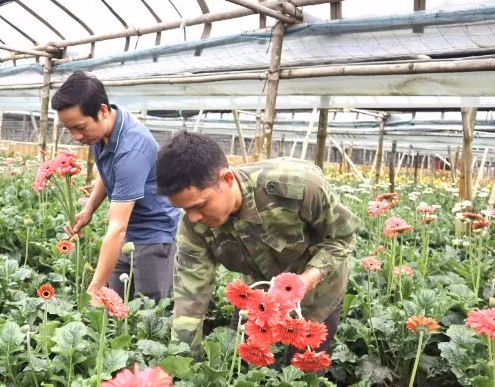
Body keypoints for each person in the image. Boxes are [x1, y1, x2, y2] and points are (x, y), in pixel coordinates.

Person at [155, 131, 359, 357]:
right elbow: (190, 299)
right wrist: (182, 364)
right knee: (242, 365)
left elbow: (343, 236)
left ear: (227, 179)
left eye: (200, 205)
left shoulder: (299, 186)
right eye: (185, 209)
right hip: (258, 297)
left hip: (318, 294)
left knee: (304, 368)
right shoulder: (194, 228)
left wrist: (307, 280)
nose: (193, 217)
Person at [51, 70, 180, 301]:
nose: (76, 137)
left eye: (79, 127)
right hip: (127, 232)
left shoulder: (132, 147)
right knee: (113, 307)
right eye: (69, 129)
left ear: (102, 111)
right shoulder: (102, 133)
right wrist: (89, 209)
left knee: (149, 314)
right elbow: (108, 171)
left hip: (153, 237)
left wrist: (94, 288)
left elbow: (116, 228)